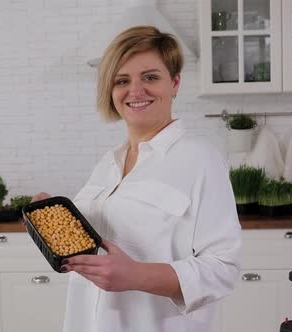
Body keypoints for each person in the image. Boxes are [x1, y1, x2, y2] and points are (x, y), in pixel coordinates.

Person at [32, 25, 241, 332]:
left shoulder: (200, 158)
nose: (136, 90)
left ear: (175, 83)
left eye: (150, 77)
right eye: (122, 80)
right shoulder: (108, 164)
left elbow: (224, 269)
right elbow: (92, 249)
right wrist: (50, 221)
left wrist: (137, 275)